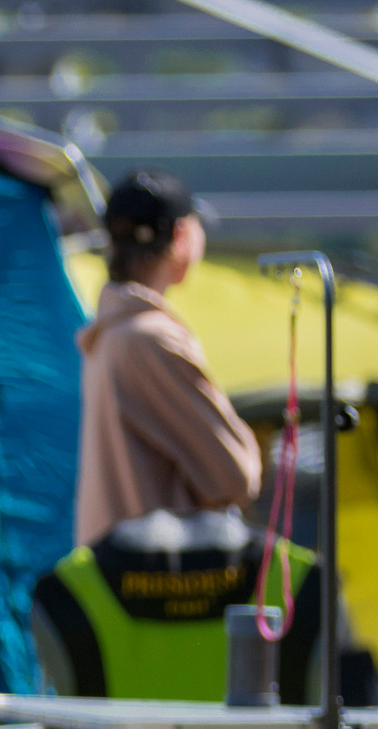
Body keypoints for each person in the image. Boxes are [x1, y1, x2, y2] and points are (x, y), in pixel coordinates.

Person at [73, 169, 261, 545]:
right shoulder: (153, 339)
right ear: (180, 236)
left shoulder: (109, 333)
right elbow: (235, 476)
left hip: (111, 574)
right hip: (156, 582)